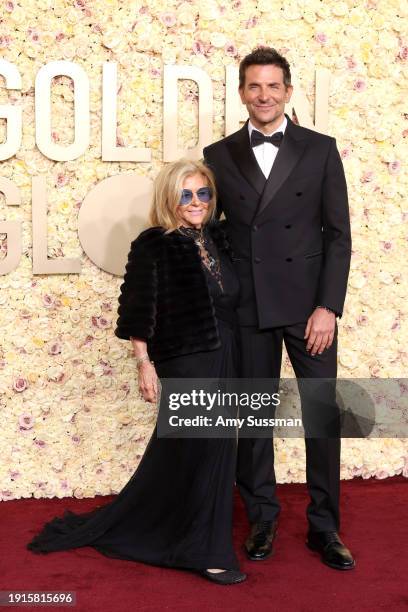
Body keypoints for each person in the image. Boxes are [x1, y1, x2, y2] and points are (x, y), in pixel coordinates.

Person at [27, 159, 246, 585]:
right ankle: (207, 551)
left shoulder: (218, 239)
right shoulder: (154, 244)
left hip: (227, 355)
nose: (196, 202)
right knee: (201, 449)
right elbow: (138, 310)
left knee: (213, 451)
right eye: (186, 194)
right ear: (170, 198)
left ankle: (178, 531)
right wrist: (144, 364)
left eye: (203, 193)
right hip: (186, 358)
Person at [203, 47, 355, 571]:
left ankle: (324, 527)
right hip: (248, 307)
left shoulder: (320, 149)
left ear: (288, 91)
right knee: (253, 421)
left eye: (273, 86)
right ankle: (263, 517)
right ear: (242, 92)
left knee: (321, 418)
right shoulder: (218, 154)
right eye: (253, 86)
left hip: (308, 308)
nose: (263, 95)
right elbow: (209, 232)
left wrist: (327, 307)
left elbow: (338, 236)